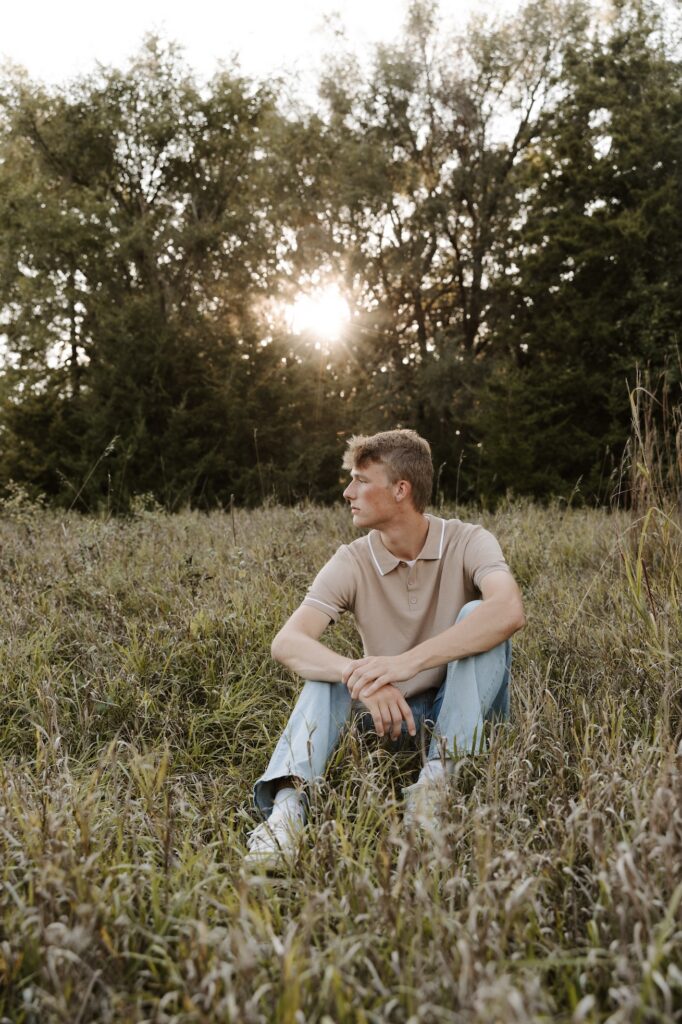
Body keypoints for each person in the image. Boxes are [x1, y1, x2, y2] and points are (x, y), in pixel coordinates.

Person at [245, 429, 525, 867]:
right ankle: (286, 815)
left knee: (479, 615)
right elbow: (288, 642)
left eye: (361, 480)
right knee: (333, 671)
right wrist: (362, 676)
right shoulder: (352, 560)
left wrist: (403, 664)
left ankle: (434, 794)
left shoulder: (469, 540)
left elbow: (509, 610)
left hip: (464, 716)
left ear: (401, 489)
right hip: (390, 721)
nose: (347, 492)